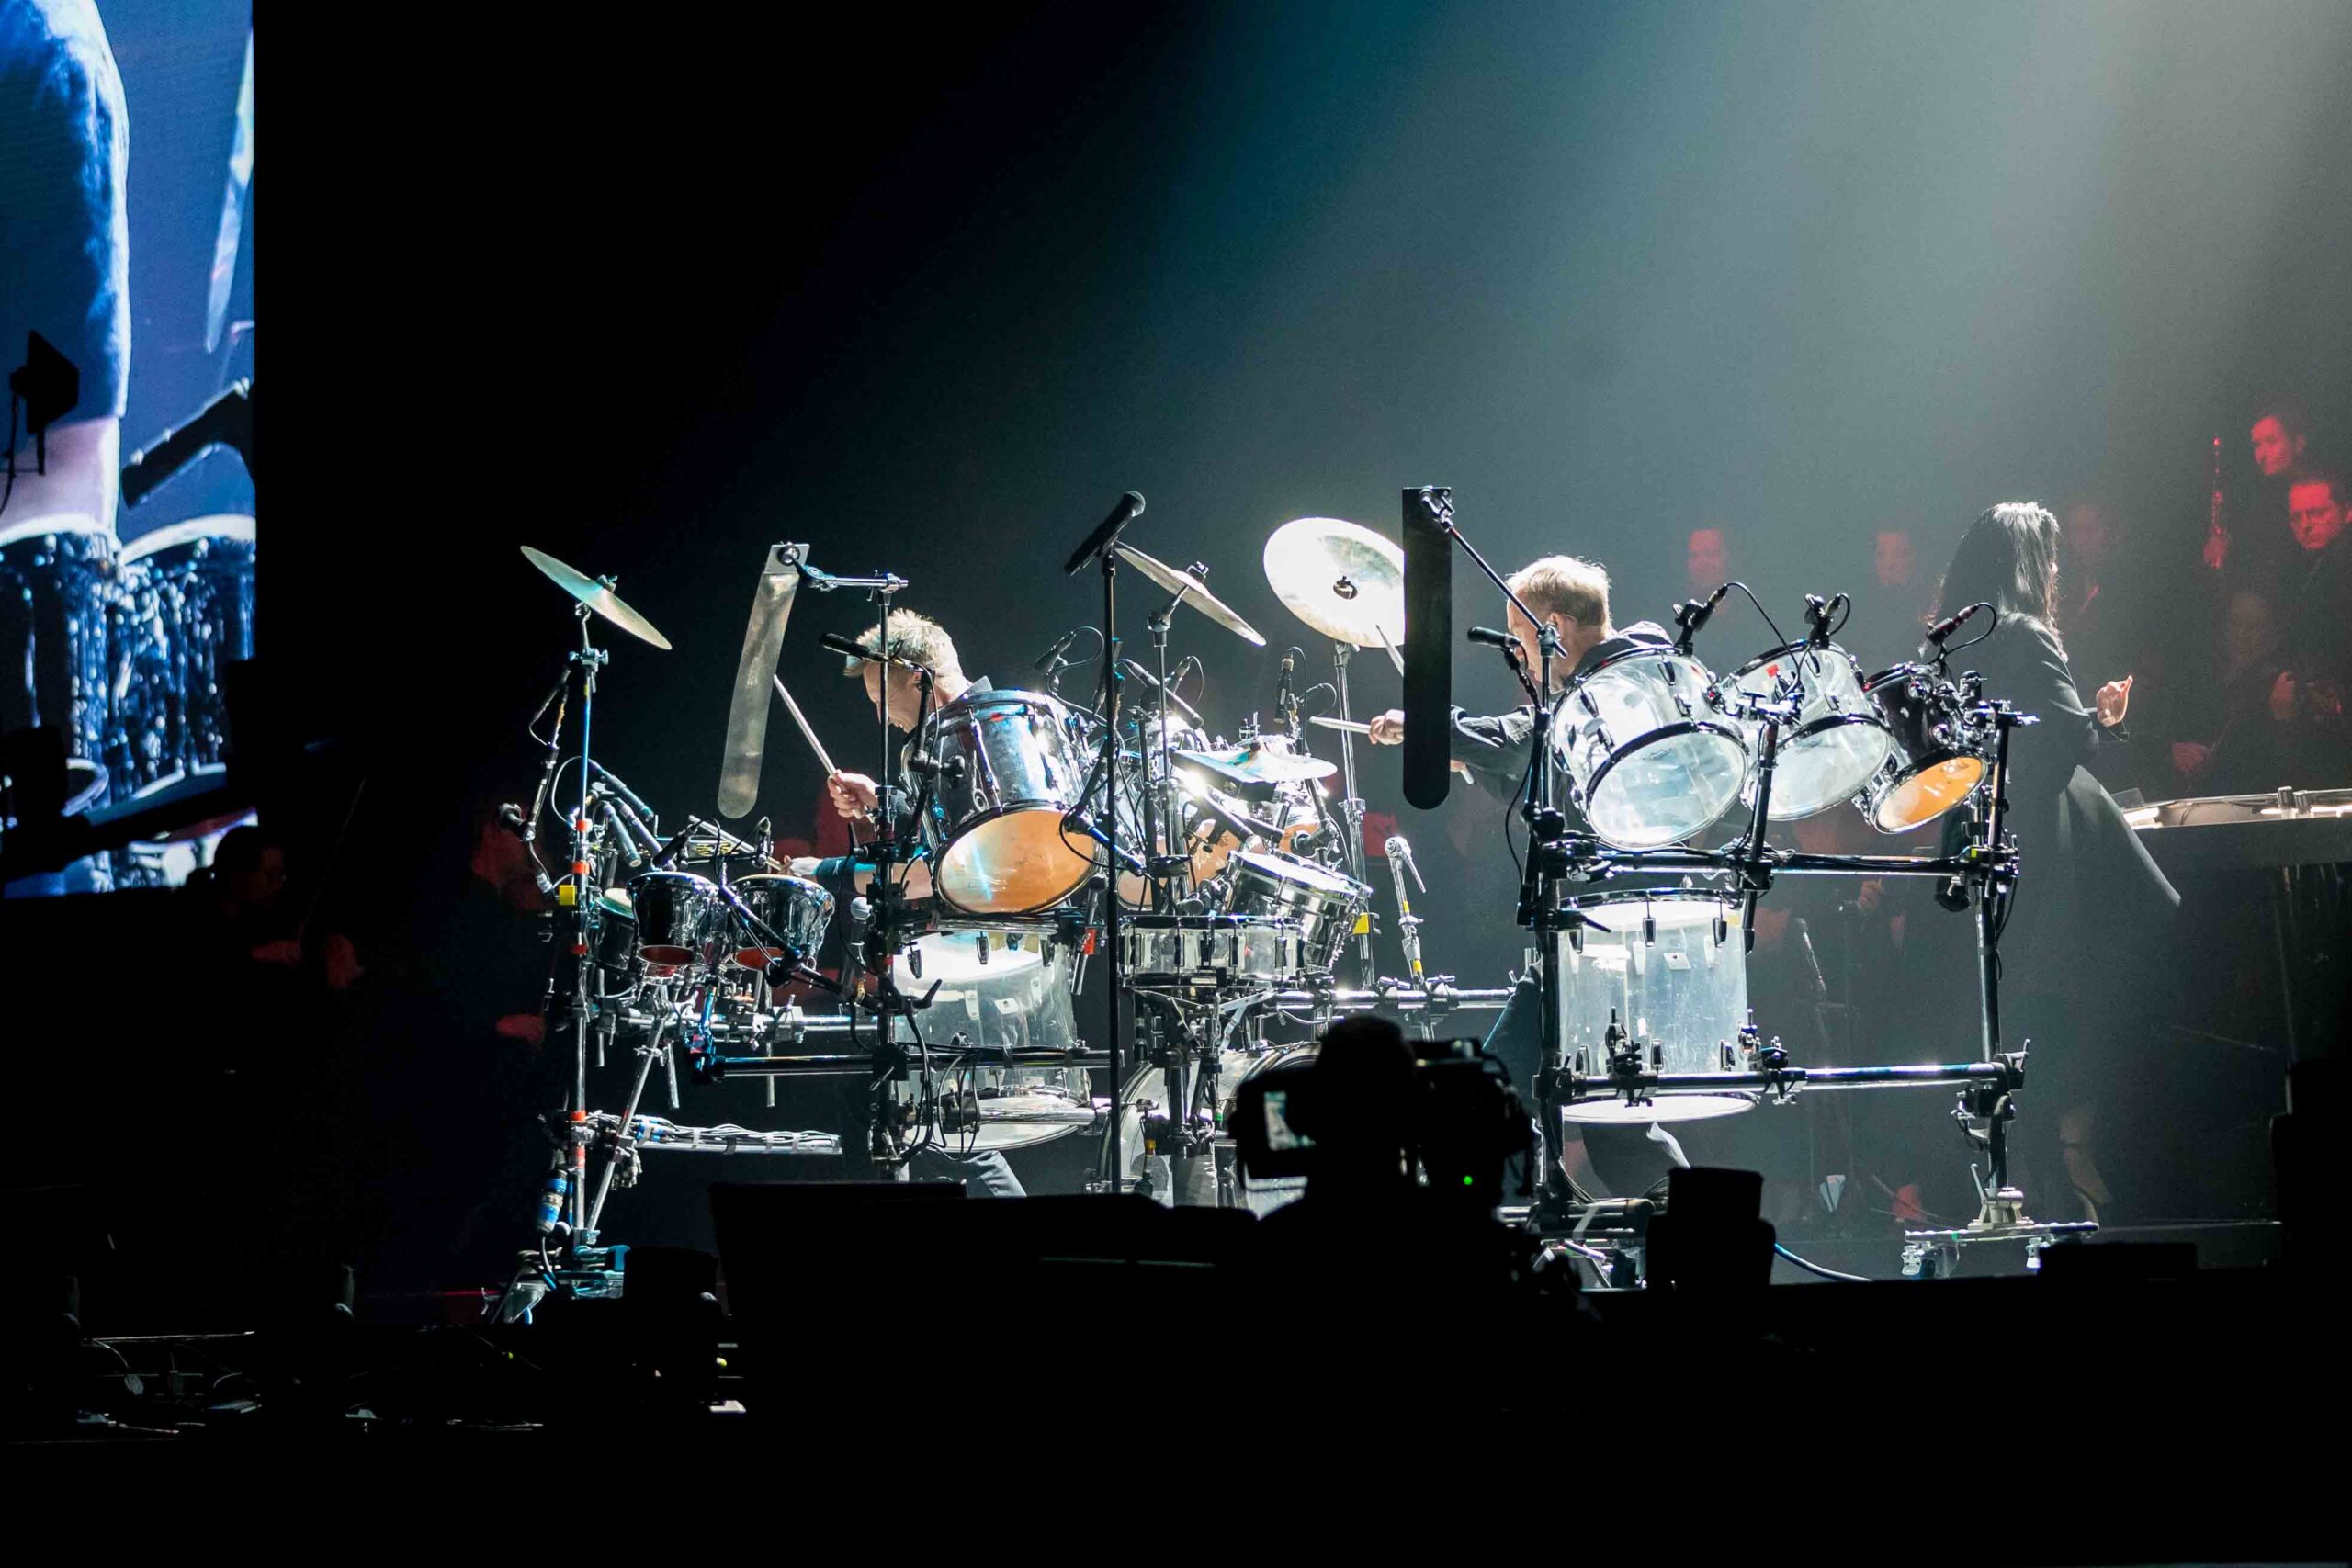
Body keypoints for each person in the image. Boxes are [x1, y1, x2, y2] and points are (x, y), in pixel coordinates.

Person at [1928, 503, 2179, 1220]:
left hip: (1983, 837)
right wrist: (2104, 718)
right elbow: (2069, 739)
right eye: (2052, 558)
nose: (2059, 571)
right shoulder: (2029, 632)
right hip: (2049, 840)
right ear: (2029, 565)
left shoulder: (1951, 639)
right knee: (2105, 973)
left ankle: (2031, 1171)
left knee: (2013, 1006)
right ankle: (2071, 1144)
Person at [809, 609, 1023, 1197]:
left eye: (884, 698)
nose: (881, 715)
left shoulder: (988, 730)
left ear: (916, 676)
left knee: (925, 1117)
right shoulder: (934, 742)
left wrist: (831, 872)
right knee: (923, 1118)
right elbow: (933, 832)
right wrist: (881, 802)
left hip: (982, 955)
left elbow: (968, 865)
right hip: (949, 951)